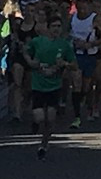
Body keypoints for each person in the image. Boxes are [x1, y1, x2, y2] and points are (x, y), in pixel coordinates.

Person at [25, 16, 76, 159]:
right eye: (53, 26)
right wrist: (32, 62)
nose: (56, 29)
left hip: (55, 86)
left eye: (59, 26)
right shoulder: (37, 42)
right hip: (38, 85)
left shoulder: (64, 45)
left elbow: (74, 65)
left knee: (51, 118)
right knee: (40, 117)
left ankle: (44, 144)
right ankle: (35, 123)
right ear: (47, 27)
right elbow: (25, 52)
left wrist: (64, 64)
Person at [69, 0, 101, 127]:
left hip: (90, 54)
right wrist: (72, 42)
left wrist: (90, 44)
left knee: (87, 85)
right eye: (80, 8)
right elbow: (65, 34)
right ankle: (77, 115)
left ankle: (88, 105)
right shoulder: (72, 18)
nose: (82, 11)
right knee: (76, 82)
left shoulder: (94, 19)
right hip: (76, 55)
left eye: (85, 8)